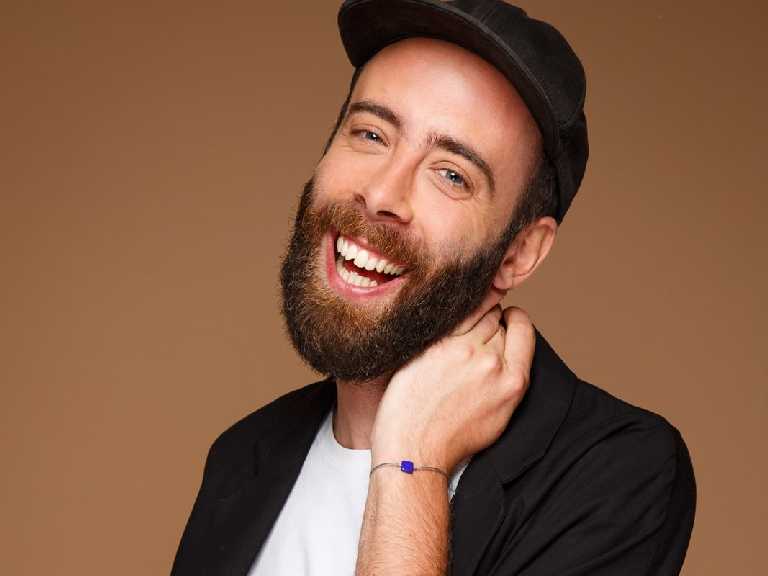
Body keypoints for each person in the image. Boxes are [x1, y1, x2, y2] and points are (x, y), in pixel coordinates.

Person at [171, 1, 696, 574]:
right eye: (371, 134)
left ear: (519, 253)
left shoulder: (616, 472)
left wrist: (411, 461)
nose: (381, 194)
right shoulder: (242, 457)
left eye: (451, 174)